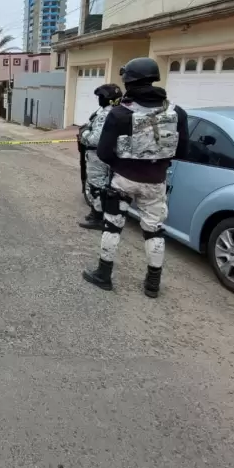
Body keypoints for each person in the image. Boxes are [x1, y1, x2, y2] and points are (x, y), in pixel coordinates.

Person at [81, 58, 188, 298]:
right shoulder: (176, 112)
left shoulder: (120, 113)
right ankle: (152, 284)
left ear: (128, 80)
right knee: (154, 231)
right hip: (156, 181)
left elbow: (104, 153)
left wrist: (124, 161)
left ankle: (104, 274)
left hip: (123, 180)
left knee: (112, 226)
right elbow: (181, 151)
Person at [77, 83, 122, 230]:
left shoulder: (105, 114)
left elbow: (95, 139)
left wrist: (83, 134)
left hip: (97, 155)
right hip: (106, 154)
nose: (98, 99)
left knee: (97, 186)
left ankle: (97, 217)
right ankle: (96, 214)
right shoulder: (115, 111)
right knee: (101, 185)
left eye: (101, 97)